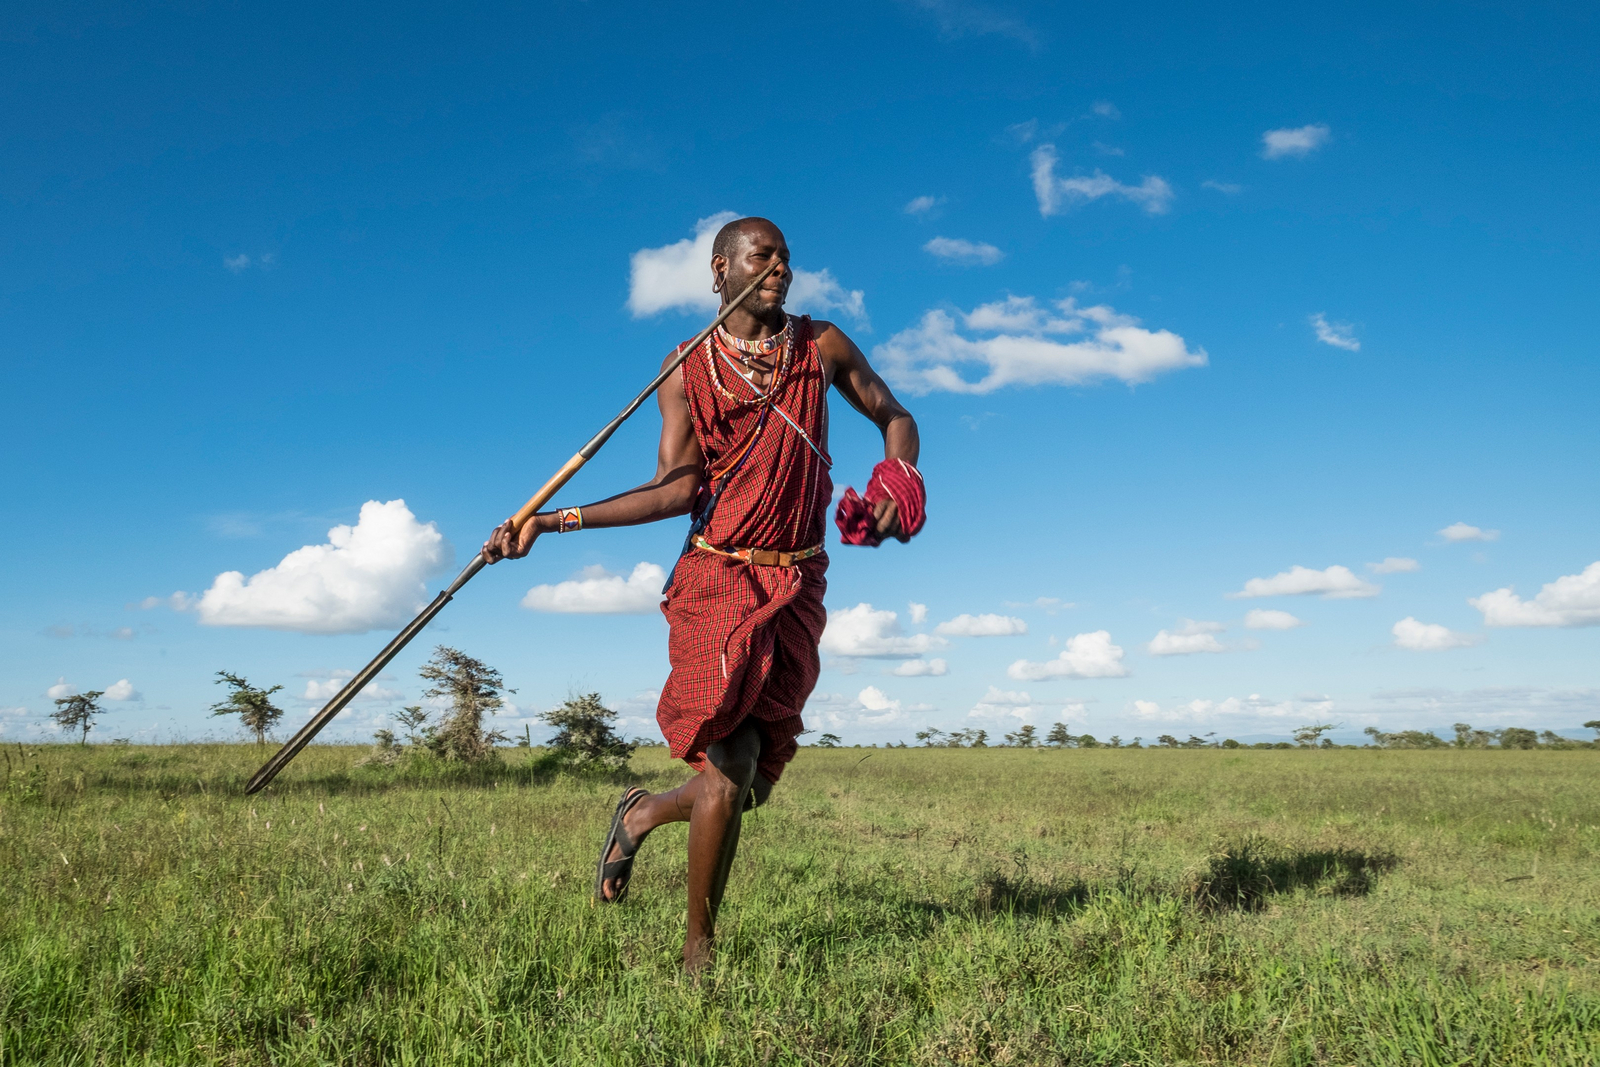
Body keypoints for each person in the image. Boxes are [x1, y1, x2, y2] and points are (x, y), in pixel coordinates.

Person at [482, 217, 922, 971]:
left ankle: (643, 811)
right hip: (717, 574)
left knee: (746, 784)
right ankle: (699, 958)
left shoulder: (822, 347)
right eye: (762, 255)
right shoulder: (686, 368)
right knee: (726, 767)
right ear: (720, 270)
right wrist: (553, 521)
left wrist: (896, 479)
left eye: (786, 256)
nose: (778, 266)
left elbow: (894, 415)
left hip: (797, 577)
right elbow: (676, 487)